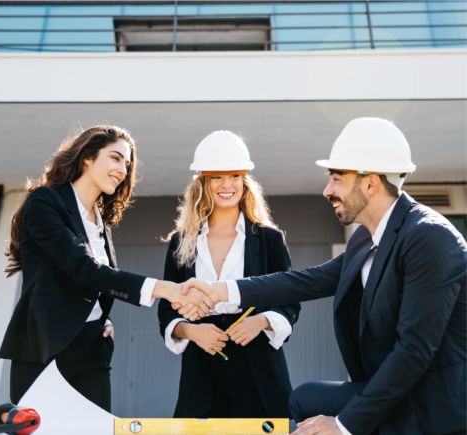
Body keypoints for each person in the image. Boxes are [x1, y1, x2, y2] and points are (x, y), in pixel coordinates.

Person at [180, 118, 467, 435]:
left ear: (370, 183)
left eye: (336, 178)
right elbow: (304, 282)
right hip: (396, 389)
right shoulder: (366, 239)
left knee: (324, 421)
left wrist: (344, 425)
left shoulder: (429, 238)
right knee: (305, 399)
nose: (327, 190)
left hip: (433, 405)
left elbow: (413, 352)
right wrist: (221, 290)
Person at [0, 125, 215, 412]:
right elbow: (83, 268)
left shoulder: (101, 222)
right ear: (87, 157)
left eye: (127, 164)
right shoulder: (44, 201)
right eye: (115, 158)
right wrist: (167, 289)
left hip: (91, 350)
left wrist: (103, 317)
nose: (123, 169)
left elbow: (96, 283)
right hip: (43, 345)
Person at [158, 131, 301, 418]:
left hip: (259, 367)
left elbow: (289, 303)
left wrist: (259, 321)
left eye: (235, 175)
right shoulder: (181, 242)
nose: (227, 185)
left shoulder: (270, 239)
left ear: (244, 181)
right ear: (202, 183)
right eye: (216, 177)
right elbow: (166, 309)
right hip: (202, 366)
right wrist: (192, 332)